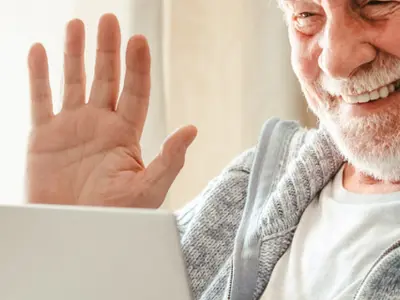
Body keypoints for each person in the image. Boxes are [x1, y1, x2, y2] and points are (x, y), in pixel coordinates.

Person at [24, 0, 400, 298]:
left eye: (379, 2)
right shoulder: (254, 183)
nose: (335, 60)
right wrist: (73, 248)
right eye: (305, 14)